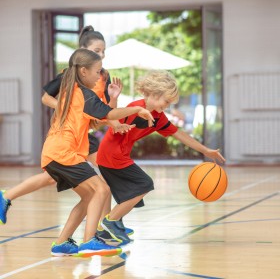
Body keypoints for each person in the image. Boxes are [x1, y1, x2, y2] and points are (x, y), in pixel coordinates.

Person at [0, 26, 133, 239]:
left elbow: (104, 110)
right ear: (83, 52)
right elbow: (46, 98)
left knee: (55, 178)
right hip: (70, 134)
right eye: (97, 50)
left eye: (104, 51)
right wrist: (70, 110)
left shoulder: (103, 76)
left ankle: (7, 196)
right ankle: (105, 226)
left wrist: (114, 121)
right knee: (103, 179)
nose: (102, 55)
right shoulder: (71, 76)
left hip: (84, 132)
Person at [40, 48, 154, 257]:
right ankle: (89, 241)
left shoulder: (71, 91)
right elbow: (109, 114)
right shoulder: (83, 93)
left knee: (88, 197)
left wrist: (112, 99)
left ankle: (62, 243)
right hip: (64, 153)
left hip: (56, 153)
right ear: (83, 71)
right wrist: (136, 109)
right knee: (101, 188)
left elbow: (97, 121)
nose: (99, 76)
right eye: (97, 71)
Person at [96, 70, 226, 244]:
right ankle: (110, 221)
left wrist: (205, 150)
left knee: (123, 189)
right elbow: (110, 117)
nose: (167, 106)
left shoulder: (158, 117)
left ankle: (105, 229)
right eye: (166, 101)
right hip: (112, 155)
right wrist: (114, 105)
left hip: (118, 156)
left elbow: (179, 134)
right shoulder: (136, 107)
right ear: (155, 94)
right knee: (144, 184)